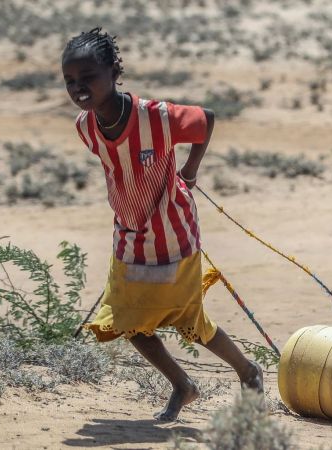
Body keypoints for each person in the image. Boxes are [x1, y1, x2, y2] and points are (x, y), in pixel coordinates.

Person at [61, 28, 262, 421]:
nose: (79, 87)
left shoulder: (155, 117)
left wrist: (189, 168)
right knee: (127, 320)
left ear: (114, 71)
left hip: (173, 230)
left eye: (88, 77)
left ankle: (248, 371)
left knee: (189, 321)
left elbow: (206, 120)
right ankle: (183, 386)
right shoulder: (85, 127)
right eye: (70, 80)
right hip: (129, 234)